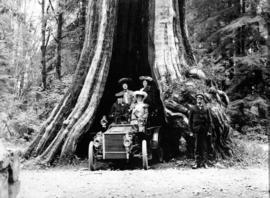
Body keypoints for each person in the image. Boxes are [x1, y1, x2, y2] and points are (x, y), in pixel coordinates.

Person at [189, 93, 213, 169]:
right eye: (198, 98)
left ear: (203, 100)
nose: (199, 100)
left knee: (204, 147)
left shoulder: (206, 108)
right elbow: (190, 121)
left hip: (204, 130)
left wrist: (209, 130)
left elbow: (209, 120)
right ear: (196, 99)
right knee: (196, 147)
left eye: (201, 98)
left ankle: (205, 162)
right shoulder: (193, 108)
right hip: (196, 130)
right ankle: (196, 162)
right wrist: (191, 131)